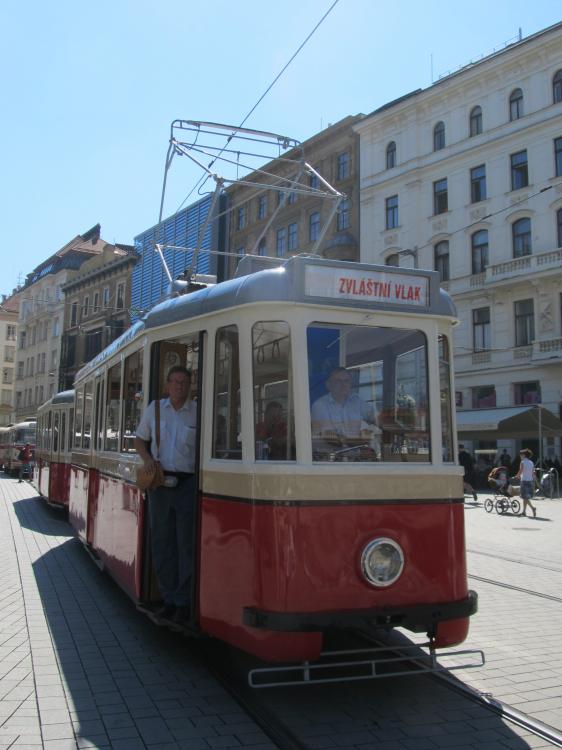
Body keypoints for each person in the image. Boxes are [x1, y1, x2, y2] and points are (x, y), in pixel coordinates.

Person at [134, 366, 197, 625]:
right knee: (162, 542)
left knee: (185, 545)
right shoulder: (155, 409)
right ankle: (168, 598)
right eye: (175, 382)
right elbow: (139, 439)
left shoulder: (197, 411)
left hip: (187, 484)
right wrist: (147, 459)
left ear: (189, 385)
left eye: (184, 382)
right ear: (167, 384)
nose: (179, 386)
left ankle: (183, 602)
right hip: (160, 483)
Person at [311, 367, 377, 440]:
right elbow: (330, 438)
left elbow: (375, 417)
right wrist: (361, 437)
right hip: (332, 450)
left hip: (356, 448)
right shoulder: (319, 405)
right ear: (329, 385)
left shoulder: (356, 400)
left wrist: (383, 423)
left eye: (346, 381)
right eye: (338, 381)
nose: (343, 384)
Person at [515, 448, 537, 518]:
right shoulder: (531, 462)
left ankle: (532, 508)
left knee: (525, 497)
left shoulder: (523, 462)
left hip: (524, 481)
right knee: (525, 498)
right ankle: (524, 512)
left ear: (524, 455)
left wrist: (517, 476)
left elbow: (521, 470)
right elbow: (533, 473)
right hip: (530, 481)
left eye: (521, 455)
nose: (520, 456)